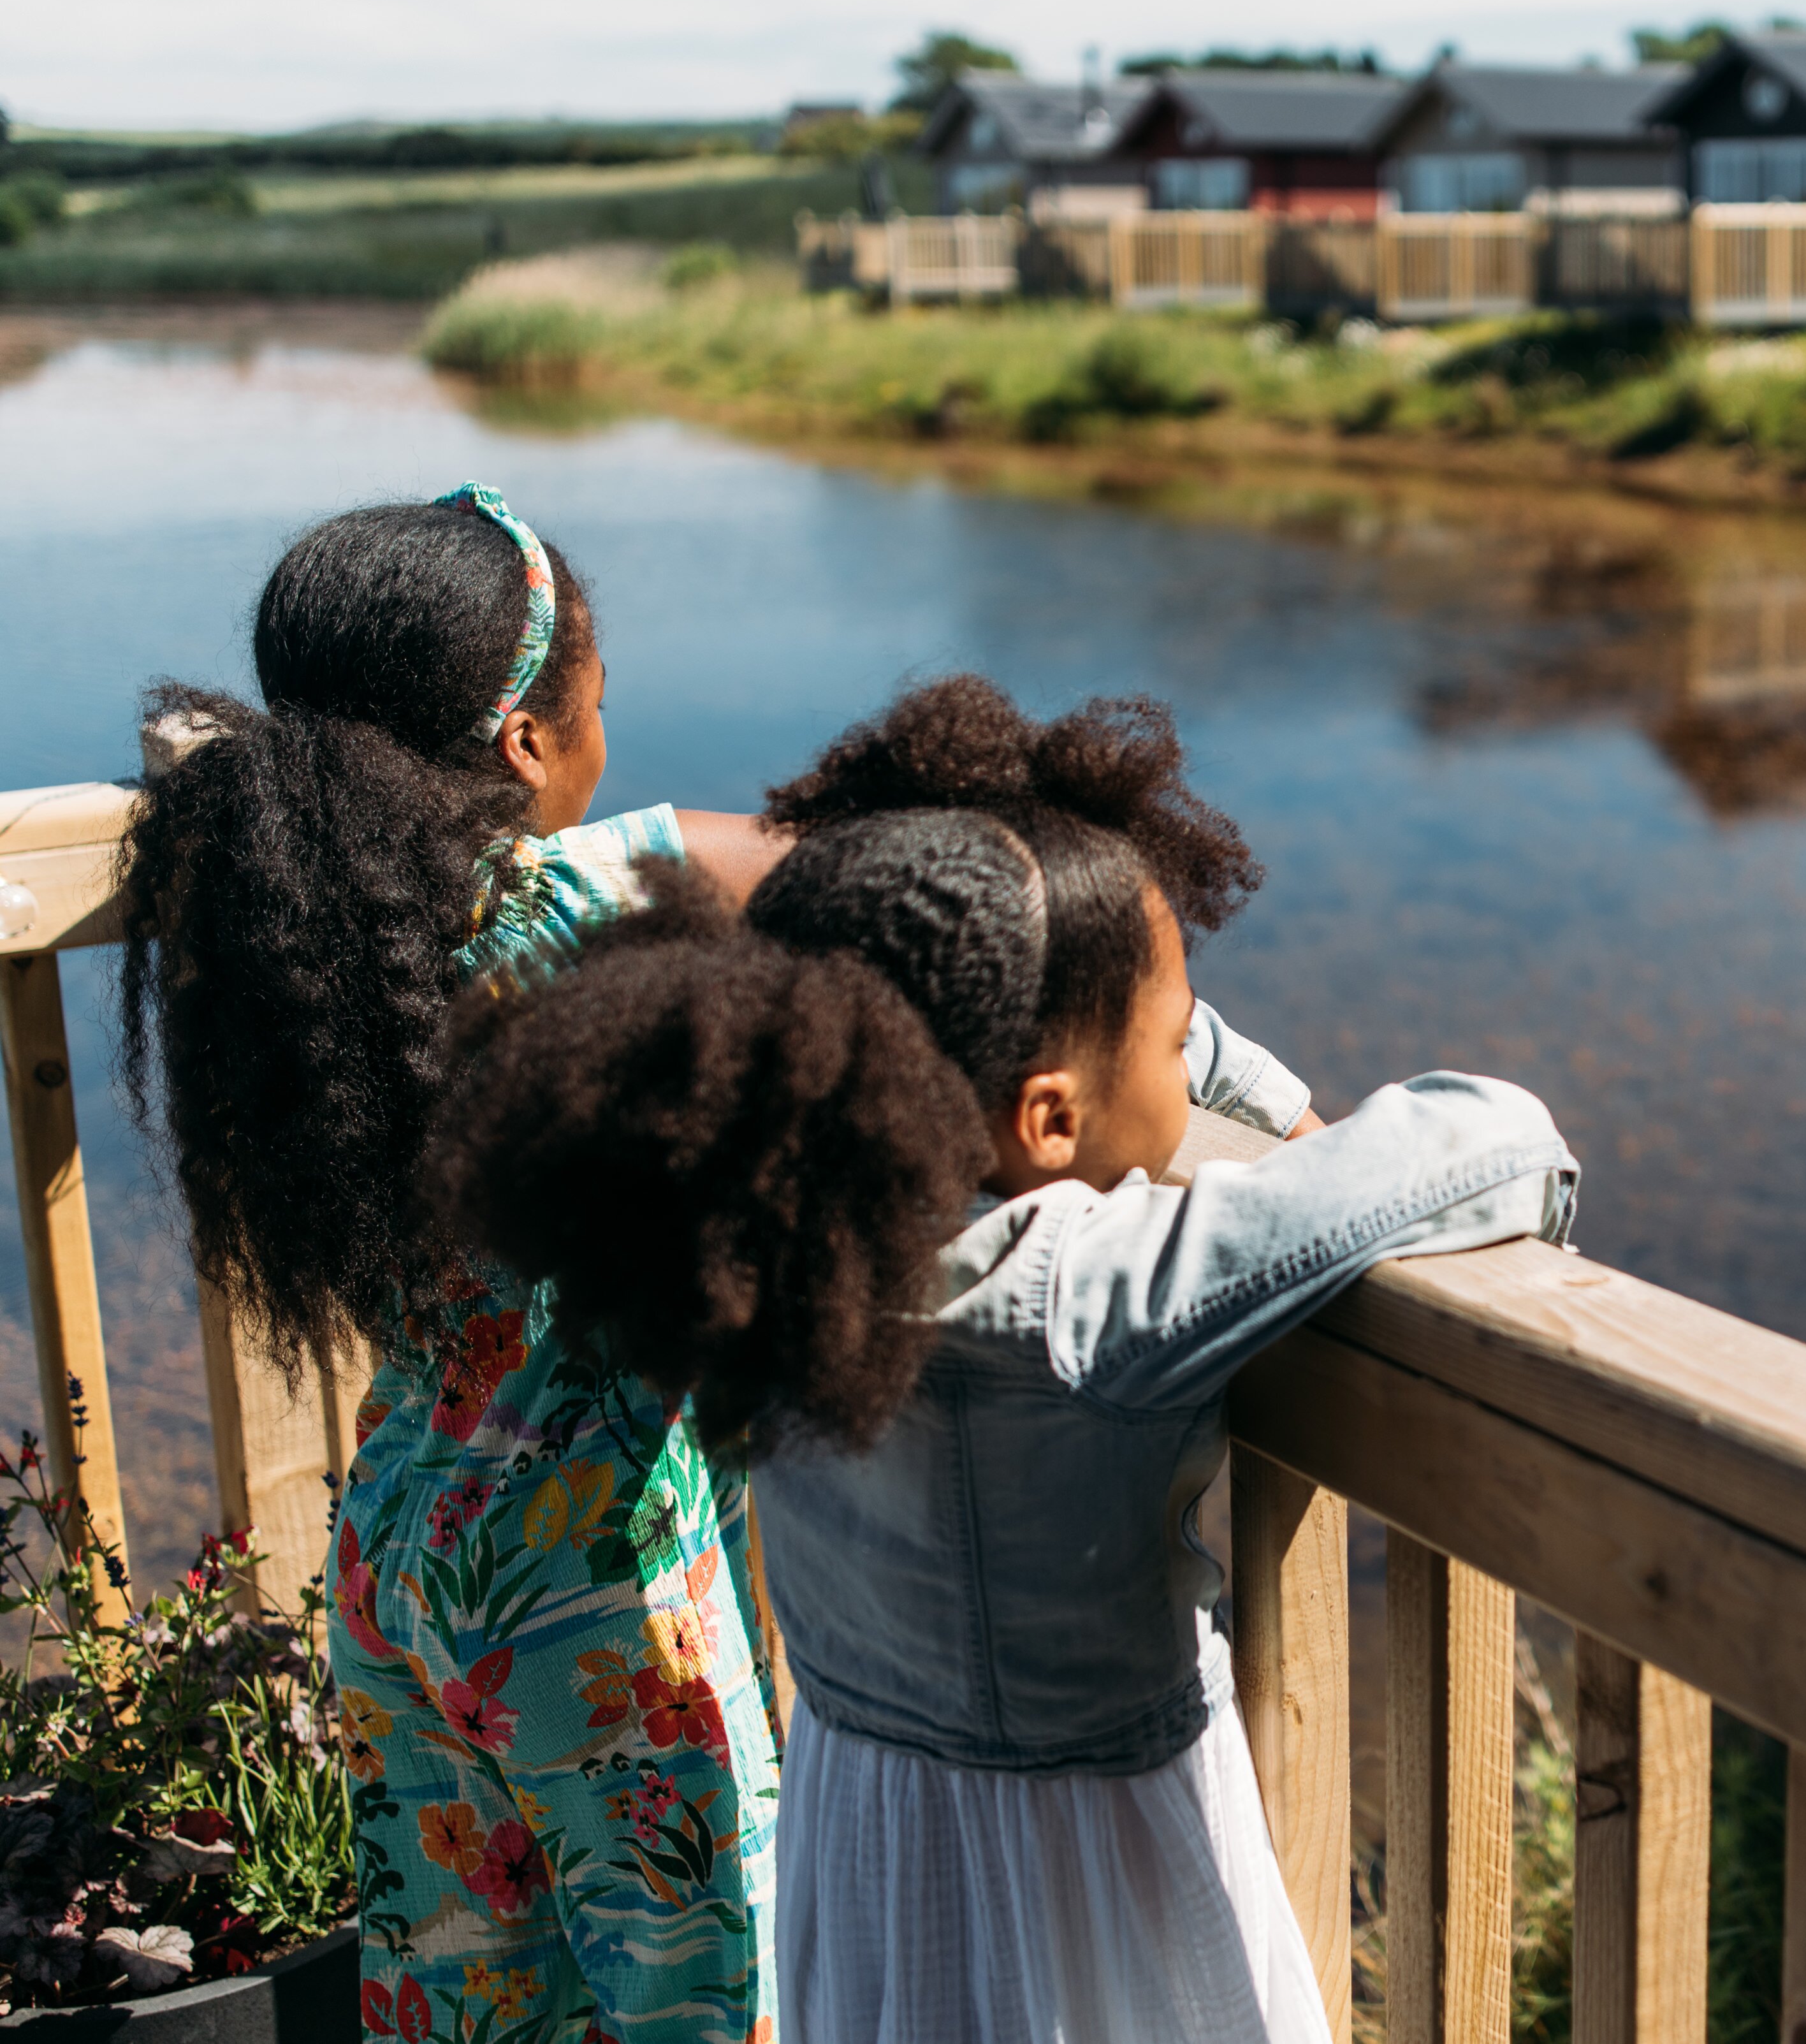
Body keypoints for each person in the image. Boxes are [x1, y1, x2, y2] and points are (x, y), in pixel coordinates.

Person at [430, 680, 1577, 2044]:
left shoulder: (748, 1234)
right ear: (1045, 1116)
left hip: (867, 1830)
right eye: (1169, 1036)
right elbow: (1492, 1140)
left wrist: (1145, 1033)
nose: (1181, 1054)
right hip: (1096, 1861)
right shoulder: (1095, 1294)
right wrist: (1275, 1118)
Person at [115, 486, 791, 2041]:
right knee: (711, 2004)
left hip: (403, 1541)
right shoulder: (589, 904)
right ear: (524, 747)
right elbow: (857, 867)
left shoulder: (296, 915)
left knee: (473, 2015)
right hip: (592, 1595)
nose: (607, 735)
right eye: (596, 706)